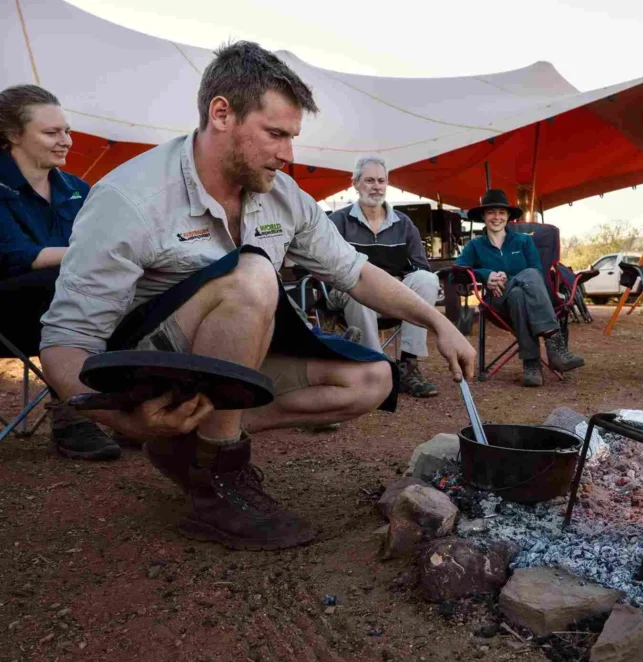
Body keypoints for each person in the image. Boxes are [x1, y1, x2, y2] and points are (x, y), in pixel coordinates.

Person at [38, 41, 475, 551]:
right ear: (221, 113)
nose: (289, 154)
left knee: (372, 378)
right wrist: (126, 420)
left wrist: (438, 322)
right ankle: (218, 476)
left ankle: (188, 441)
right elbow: (65, 341)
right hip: (151, 371)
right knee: (252, 273)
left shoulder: (283, 196)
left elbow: (355, 273)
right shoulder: (131, 197)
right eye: (275, 134)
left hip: (232, 360)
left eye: (292, 136)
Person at [0, 84, 120, 461]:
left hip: (75, 307)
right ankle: (73, 416)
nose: (65, 141)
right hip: (10, 312)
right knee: (65, 280)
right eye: (52, 132)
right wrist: (93, 255)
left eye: (66, 130)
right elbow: (16, 255)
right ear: (13, 135)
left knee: (137, 282)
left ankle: (131, 410)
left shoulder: (78, 190)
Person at [328, 155, 440, 399]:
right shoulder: (337, 222)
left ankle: (408, 365)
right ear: (355, 183)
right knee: (357, 287)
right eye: (369, 180)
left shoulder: (404, 224)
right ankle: (377, 368)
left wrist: (391, 287)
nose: (376, 186)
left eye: (381, 180)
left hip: (391, 297)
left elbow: (421, 267)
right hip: (350, 292)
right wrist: (368, 285)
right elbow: (324, 267)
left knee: (426, 280)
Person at [454, 189, 583, 387]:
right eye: (491, 212)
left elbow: (537, 274)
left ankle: (531, 363)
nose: (496, 217)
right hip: (496, 302)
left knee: (518, 292)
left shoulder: (523, 241)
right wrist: (486, 275)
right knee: (525, 279)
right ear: (483, 216)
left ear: (508, 217)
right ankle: (554, 342)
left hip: (524, 300)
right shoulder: (475, 245)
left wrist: (508, 279)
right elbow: (456, 273)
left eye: (501, 213)